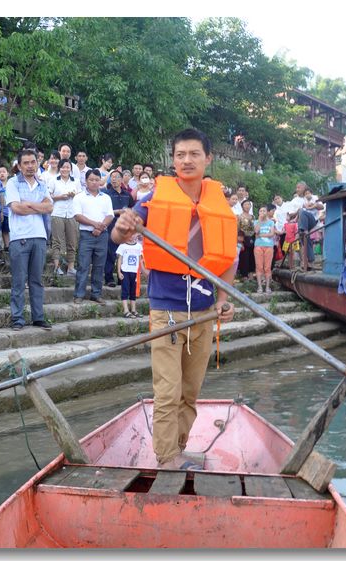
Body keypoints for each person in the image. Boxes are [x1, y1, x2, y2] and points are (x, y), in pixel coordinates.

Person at [111, 128, 237, 470]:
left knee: (190, 392)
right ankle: (166, 458)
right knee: (167, 391)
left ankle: (177, 449)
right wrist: (124, 224)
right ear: (173, 159)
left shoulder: (219, 203)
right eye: (180, 155)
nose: (186, 160)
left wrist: (223, 299)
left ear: (208, 158)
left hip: (204, 313)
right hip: (167, 310)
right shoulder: (153, 198)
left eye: (194, 154)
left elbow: (228, 260)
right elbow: (119, 233)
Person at [5, 149, 53, 331]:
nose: (30, 166)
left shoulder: (41, 184)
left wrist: (29, 204)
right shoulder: (13, 183)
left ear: (37, 163)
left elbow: (49, 206)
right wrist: (38, 206)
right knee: (19, 280)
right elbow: (17, 208)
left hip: (40, 236)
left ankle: (38, 317)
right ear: (19, 165)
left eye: (33, 162)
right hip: (20, 237)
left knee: (37, 280)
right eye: (26, 163)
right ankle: (17, 318)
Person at [72, 169, 113, 304]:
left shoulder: (105, 197)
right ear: (86, 181)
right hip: (86, 235)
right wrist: (95, 224)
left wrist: (100, 228)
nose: (94, 182)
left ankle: (96, 294)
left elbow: (110, 215)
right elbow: (78, 216)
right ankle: (79, 294)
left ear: (100, 181)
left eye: (97, 180)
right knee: (83, 265)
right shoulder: (79, 197)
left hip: (102, 235)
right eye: (91, 180)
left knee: (99, 266)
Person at [48, 158, 80, 276]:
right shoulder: (53, 180)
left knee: (72, 241)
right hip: (57, 213)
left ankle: (71, 267)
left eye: (68, 167)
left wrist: (73, 195)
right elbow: (48, 196)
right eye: (63, 167)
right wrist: (60, 197)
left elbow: (80, 196)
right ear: (59, 168)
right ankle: (57, 267)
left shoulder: (75, 181)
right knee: (56, 241)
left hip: (72, 213)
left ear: (71, 169)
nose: (65, 169)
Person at [104, 170, 132, 288]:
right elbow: (105, 211)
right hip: (111, 226)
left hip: (125, 228)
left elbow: (132, 209)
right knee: (110, 253)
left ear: (121, 180)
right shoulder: (106, 194)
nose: (114, 179)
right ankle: (109, 278)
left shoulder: (127, 194)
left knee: (124, 253)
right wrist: (118, 212)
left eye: (116, 177)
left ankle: (122, 278)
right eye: (112, 177)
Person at [116, 234, 143, 319]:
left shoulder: (139, 246)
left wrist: (141, 269)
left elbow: (140, 259)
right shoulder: (122, 246)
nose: (131, 236)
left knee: (133, 291)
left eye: (133, 234)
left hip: (134, 272)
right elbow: (119, 259)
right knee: (125, 290)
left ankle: (133, 310)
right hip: (126, 271)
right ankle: (126, 310)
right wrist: (119, 271)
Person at [253, 206, 277, 294]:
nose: (262, 212)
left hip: (269, 246)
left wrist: (261, 235)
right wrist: (259, 220)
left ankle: (267, 287)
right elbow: (256, 231)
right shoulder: (256, 222)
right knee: (259, 266)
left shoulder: (271, 222)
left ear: (267, 212)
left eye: (264, 211)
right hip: (258, 246)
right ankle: (259, 287)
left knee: (267, 267)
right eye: (260, 211)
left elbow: (271, 234)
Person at [237, 199, 256, 280]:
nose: (247, 206)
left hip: (252, 238)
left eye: (249, 204)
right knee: (244, 256)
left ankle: (251, 273)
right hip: (243, 238)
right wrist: (239, 240)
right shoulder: (239, 216)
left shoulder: (253, 217)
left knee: (252, 256)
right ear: (242, 206)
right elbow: (237, 229)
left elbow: (255, 228)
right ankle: (244, 275)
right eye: (245, 204)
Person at [0, 163, 11, 252]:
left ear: (7, 173)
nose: (2, 174)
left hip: (8, 211)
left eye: (4, 172)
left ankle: (7, 245)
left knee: (6, 230)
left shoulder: (10, 185)